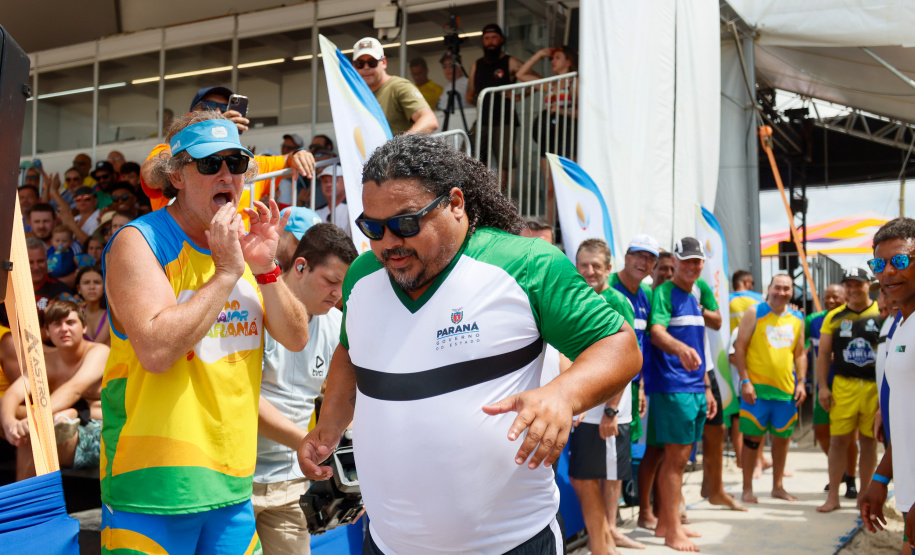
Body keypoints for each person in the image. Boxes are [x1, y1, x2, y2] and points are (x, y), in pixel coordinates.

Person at [297, 135, 641, 554]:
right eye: (372, 227)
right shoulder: (362, 277)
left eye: (406, 223)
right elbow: (350, 354)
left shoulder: (527, 264)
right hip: (386, 544)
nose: (388, 243)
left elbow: (620, 345)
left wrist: (563, 395)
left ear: (455, 203)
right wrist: (331, 423)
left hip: (511, 543)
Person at [100, 110, 309, 552]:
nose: (226, 175)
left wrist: (266, 268)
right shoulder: (138, 242)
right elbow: (157, 351)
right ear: (175, 175)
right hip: (153, 491)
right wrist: (228, 272)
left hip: (232, 486)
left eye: (235, 163)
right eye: (210, 164)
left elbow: (296, 338)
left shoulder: (242, 245)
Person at [253, 223, 358, 553]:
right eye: (330, 281)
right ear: (300, 267)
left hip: (293, 483)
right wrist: (307, 444)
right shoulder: (252, 310)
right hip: (238, 479)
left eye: (344, 287)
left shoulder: (335, 324)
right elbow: (244, 400)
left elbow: (348, 399)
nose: (337, 294)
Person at [571, 238, 645, 553]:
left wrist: (611, 411)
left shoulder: (615, 301)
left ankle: (607, 542)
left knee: (602, 478)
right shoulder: (575, 297)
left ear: (608, 269)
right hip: (585, 409)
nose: (589, 271)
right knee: (586, 477)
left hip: (608, 412)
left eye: (596, 266)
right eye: (583, 265)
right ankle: (604, 542)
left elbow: (628, 360)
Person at [645, 237, 718, 552]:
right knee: (675, 460)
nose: (692, 266)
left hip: (693, 386)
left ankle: (666, 523)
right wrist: (680, 348)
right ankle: (673, 530)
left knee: (679, 459)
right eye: (686, 260)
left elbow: (703, 337)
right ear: (674, 260)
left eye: (697, 260)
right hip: (672, 386)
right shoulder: (663, 292)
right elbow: (657, 332)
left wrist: (706, 386)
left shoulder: (699, 290)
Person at [140, 86, 316, 214]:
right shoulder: (168, 151)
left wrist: (299, 154)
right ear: (189, 115)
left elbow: (287, 160)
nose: (217, 112)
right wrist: (208, 131)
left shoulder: (250, 161)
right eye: (209, 107)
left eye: (225, 109)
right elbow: (151, 176)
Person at [0, 299, 109, 480]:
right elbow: (13, 393)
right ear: (48, 332)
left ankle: (28, 505)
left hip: (103, 430)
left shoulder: (99, 352)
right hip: (59, 425)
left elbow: (74, 389)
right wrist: (9, 422)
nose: (64, 329)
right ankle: (64, 415)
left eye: (70, 322)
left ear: (84, 328)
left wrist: (32, 420)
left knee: (34, 434)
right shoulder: (47, 362)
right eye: (56, 324)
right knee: (19, 421)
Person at [859, 218, 915, 554]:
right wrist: (880, 479)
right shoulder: (902, 326)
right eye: (880, 264)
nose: (889, 272)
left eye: (902, 261)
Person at [734, 274, 806, 504]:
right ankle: (747, 488)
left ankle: (778, 486)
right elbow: (739, 348)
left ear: (792, 291)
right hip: (756, 392)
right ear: (769, 288)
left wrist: (802, 382)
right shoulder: (754, 312)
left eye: (787, 288)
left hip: (785, 392)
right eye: (778, 287)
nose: (782, 292)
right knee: (751, 441)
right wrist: (745, 381)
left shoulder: (797, 317)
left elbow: (800, 353)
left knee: (782, 441)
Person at [817, 267, 882, 513]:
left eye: (858, 284)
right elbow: (823, 354)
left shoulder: (881, 313)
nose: (853, 289)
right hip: (843, 386)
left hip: (873, 388)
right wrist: (823, 387)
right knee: (838, 441)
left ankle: (862, 497)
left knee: (868, 442)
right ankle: (833, 496)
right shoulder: (833, 316)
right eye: (849, 284)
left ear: (868, 285)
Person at [807, 283, 858, 496]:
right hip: (824, 386)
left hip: (849, 386)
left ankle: (851, 479)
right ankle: (838, 472)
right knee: (821, 432)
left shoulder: (855, 318)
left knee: (849, 437)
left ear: (845, 297)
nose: (830, 301)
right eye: (827, 297)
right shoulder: (813, 321)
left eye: (835, 297)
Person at [466, 24, 534, 175]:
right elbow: (469, 94)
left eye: (494, 37)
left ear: (501, 40)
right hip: (482, 120)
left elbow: (535, 81)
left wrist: (519, 96)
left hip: (505, 121)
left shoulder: (510, 61)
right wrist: (478, 102)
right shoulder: (476, 65)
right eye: (487, 38)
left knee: (505, 163)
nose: (490, 41)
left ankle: (500, 198)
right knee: (468, 156)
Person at [352, 38, 438, 136]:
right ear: (354, 66)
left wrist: (398, 145)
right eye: (360, 64)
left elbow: (429, 120)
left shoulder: (399, 87)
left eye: (372, 62)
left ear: (383, 62)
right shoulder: (353, 94)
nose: (366, 67)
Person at [275, 207, 323, 273]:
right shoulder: (258, 270)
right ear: (279, 234)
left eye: (314, 248)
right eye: (302, 243)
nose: (308, 252)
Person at [75, 265, 109, 345]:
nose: (92, 287)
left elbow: (97, 346)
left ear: (104, 287)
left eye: (97, 282)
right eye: (86, 283)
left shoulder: (111, 315)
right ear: (79, 289)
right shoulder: (75, 313)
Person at [316, 164, 350, 237]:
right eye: (325, 181)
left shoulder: (352, 211)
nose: (328, 184)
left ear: (345, 182)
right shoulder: (316, 213)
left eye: (334, 180)